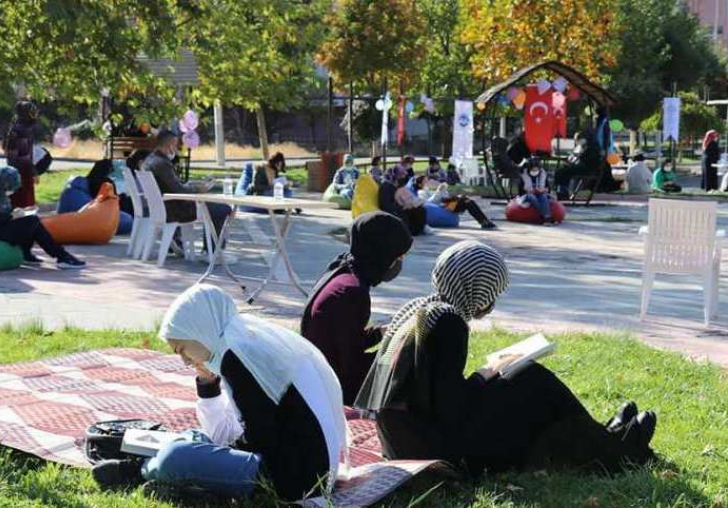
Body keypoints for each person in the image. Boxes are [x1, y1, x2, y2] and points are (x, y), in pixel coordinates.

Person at [356, 241, 657, 476]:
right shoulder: (448, 323)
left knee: (522, 380)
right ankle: (617, 455)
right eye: (490, 292)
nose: (491, 304)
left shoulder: (421, 308)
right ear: (475, 288)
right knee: (534, 381)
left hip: (403, 438)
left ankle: (602, 437)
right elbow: (451, 409)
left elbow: (430, 393)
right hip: (433, 448)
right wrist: (484, 375)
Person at [92, 284, 348, 502]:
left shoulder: (239, 357)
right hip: (297, 460)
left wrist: (215, 450)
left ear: (198, 331)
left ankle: (140, 469)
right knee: (194, 437)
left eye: (182, 349)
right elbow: (234, 429)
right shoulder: (240, 341)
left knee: (177, 456)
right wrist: (208, 383)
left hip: (296, 478)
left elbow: (258, 437)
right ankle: (184, 479)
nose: (185, 361)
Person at [301, 212, 413, 404]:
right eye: (399, 256)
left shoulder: (344, 271)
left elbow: (345, 340)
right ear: (382, 253)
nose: (399, 262)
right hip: (332, 389)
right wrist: (399, 353)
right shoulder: (352, 292)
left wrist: (383, 334)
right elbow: (351, 367)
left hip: (321, 376)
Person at [141, 131, 232, 248]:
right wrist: (198, 189)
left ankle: (208, 249)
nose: (177, 149)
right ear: (169, 146)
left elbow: (173, 185)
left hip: (163, 208)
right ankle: (215, 252)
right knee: (223, 208)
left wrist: (192, 185)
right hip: (175, 211)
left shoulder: (150, 160)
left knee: (215, 206)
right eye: (176, 145)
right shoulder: (162, 164)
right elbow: (179, 190)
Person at [0, 166, 85, 269]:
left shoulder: (3, 195)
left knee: (32, 222)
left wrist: (18, 212)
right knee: (32, 221)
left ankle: (30, 254)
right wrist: (12, 216)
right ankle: (61, 256)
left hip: (3, 227)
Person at [415, 175, 497, 229]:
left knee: (468, 201)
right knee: (464, 199)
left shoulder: (429, 190)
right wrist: (439, 191)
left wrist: (444, 191)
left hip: (446, 205)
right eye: (425, 181)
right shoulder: (421, 192)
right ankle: (484, 222)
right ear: (419, 184)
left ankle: (484, 221)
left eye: (427, 180)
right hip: (444, 208)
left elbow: (442, 197)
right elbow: (429, 203)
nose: (428, 182)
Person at [3, 100, 40, 208]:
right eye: (32, 111)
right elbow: (24, 157)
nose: (34, 114)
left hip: (14, 174)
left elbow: (6, 149)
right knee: (25, 208)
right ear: (27, 113)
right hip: (23, 174)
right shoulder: (23, 130)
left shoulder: (14, 127)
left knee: (15, 206)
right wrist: (34, 173)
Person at [379, 166, 427, 236]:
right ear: (395, 176)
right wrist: (402, 206)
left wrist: (412, 203)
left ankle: (419, 230)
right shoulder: (386, 187)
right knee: (414, 212)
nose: (404, 177)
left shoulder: (398, 186)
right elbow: (386, 205)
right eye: (402, 175)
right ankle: (411, 231)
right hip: (394, 212)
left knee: (420, 209)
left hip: (402, 208)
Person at [518, 157, 554, 223]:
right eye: (533, 170)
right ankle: (547, 216)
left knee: (543, 197)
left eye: (536, 170)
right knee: (532, 198)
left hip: (540, 193)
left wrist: (544, 190)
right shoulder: (524, 174)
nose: (535, 172)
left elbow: (547, 187)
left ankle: (546, 217)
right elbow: (520, 191)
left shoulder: (542, 174)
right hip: (527, 194)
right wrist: (528, 190)